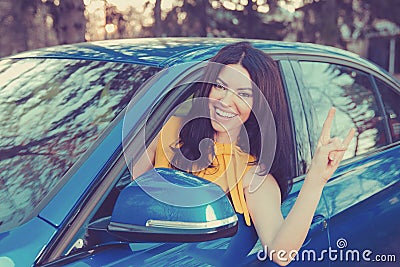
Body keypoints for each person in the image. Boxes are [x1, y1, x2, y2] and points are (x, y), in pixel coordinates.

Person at [132, 42, 355, 266]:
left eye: (243, 93)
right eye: (220, 86)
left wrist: (316, 180)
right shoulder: (167, 131)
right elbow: (129, 196)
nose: (226, 101)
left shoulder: (252, 175)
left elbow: (281, 253)